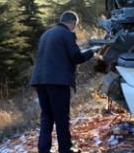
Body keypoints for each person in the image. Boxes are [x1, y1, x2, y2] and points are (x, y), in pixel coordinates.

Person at [29, 11, 95, 153]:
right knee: (61, 117)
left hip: (40, 80)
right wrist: (92, 52)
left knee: (47, 116)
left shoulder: (46, 34)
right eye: (75, 25)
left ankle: (43, 149)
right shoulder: (67, 34)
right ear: (72, 22)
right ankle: (65, 149)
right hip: (57, 82)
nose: (74, 28)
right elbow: (77, 57)